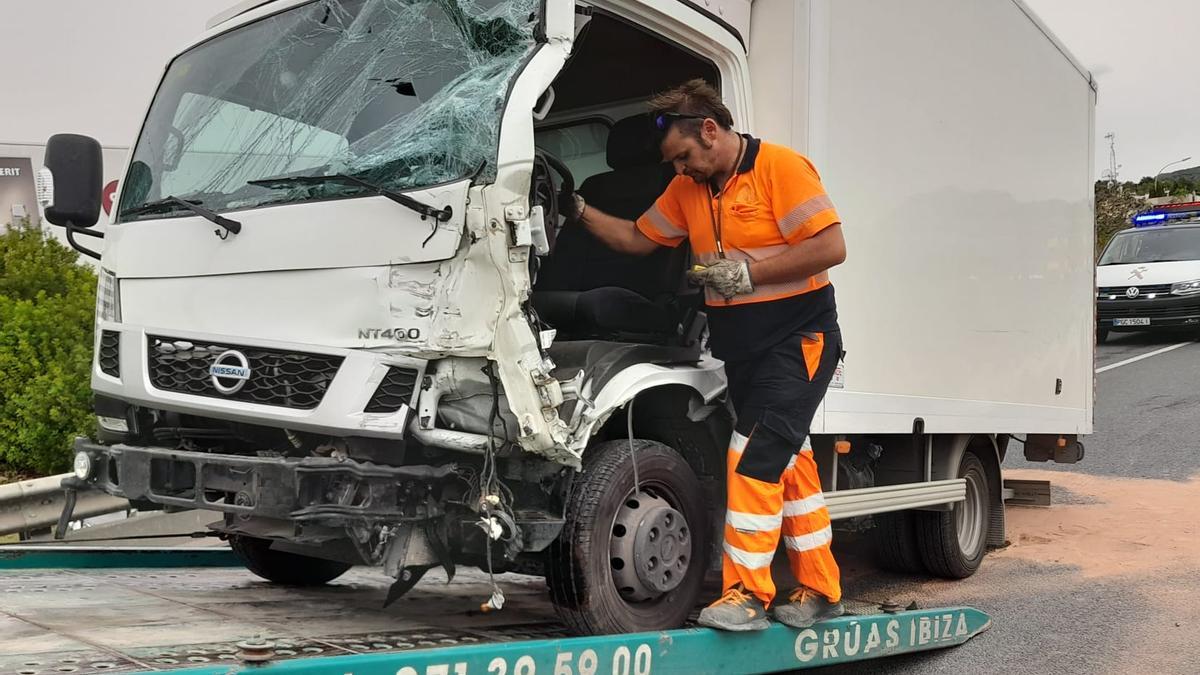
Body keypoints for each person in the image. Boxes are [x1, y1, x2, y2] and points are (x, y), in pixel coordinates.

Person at [562, 79, 847, 631]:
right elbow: (636, 240)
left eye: (684, 158)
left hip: (797, 341)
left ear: (710, 131)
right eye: (672, 163)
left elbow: (831, 247)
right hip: (742, 348)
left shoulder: (781, 169)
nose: (678, 171)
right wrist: (575, 208)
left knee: (753, 456)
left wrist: (748, 273)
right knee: (790, 462)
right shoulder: (688, 190)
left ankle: (745, 595)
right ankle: (819, 585)